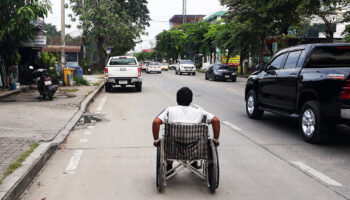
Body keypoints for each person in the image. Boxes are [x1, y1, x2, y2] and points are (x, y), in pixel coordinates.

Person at [152, 87, 220, 170]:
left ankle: (169, 165)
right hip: (196, 149)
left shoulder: (169, 110)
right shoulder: (200, 112)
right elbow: (216, 121)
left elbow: (156, 122)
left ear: (177, 100)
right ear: (191, 100)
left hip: (173, 149)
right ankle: (194, 162)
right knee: (196, 141)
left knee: (169, 141)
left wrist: (156, 140)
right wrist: (216, 140)